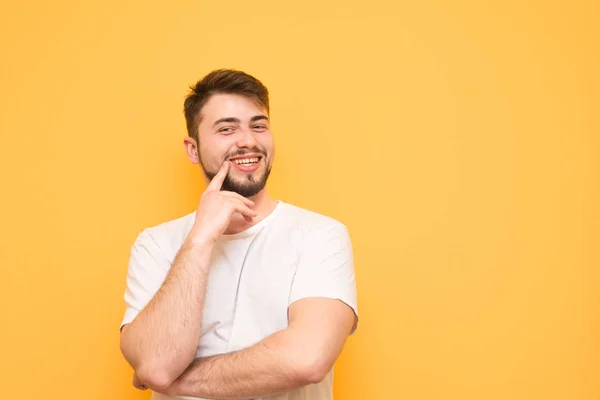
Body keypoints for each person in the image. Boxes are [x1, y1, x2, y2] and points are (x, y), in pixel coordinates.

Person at [119, 69, 359, 400]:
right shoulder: (156, 244)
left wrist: (176, 383)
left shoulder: (320, 236)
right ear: (193, 149)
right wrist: (201, 237)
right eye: (227, 128)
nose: (248, 140)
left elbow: (307, 359)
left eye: (258, 126)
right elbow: (157, 364)